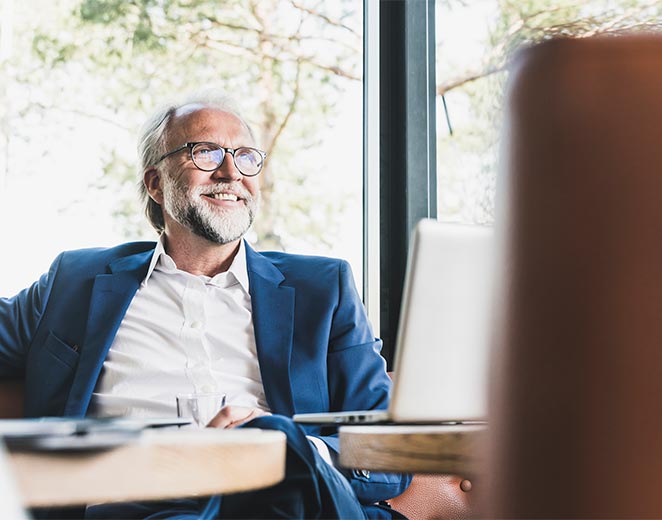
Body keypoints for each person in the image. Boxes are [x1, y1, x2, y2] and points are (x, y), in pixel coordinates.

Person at [0, 92, 410, 519]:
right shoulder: (76, 280)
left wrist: (282, 447)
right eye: (206, 153)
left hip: (287, 496)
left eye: (246, 156)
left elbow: (389, 452)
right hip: (142, 502)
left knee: (279, 462)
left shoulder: (324, 289)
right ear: (156, 183)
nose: (231, 172)